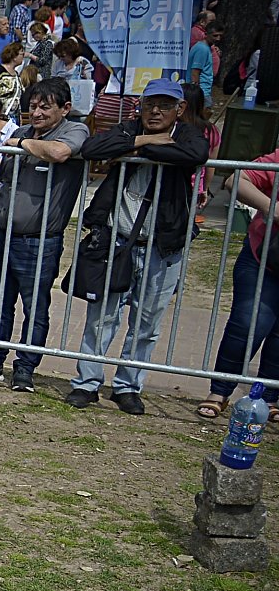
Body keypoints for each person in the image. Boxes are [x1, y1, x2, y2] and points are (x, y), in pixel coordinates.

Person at [64, 78, 210, 413]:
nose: (155, 111)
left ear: (180, 109)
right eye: (149, 104)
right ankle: (87, 383)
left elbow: (196, 153)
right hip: (117, 241)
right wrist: (144, 138)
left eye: (164, 105)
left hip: (162, 245)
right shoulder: (129, 128)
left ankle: (128, 386)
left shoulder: (187, 134)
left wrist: (138, 148)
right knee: (102, 318)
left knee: (147, 323)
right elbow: (92, 149)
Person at [0, 77, 88, 391]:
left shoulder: (75, 130)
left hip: (40, 240)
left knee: (35, 307)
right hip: (4, 234)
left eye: (45, 106)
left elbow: (58, 153)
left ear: (65, 108)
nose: (38, 113)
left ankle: (25, 368)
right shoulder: (21, 131)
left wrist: (20, 145)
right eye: (33, 106)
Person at [199, 144, 279, 418]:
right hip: (263, 258)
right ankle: (219, 391)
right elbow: (237, 179)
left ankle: (269, 397)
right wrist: (272, 208)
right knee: (249, 323)